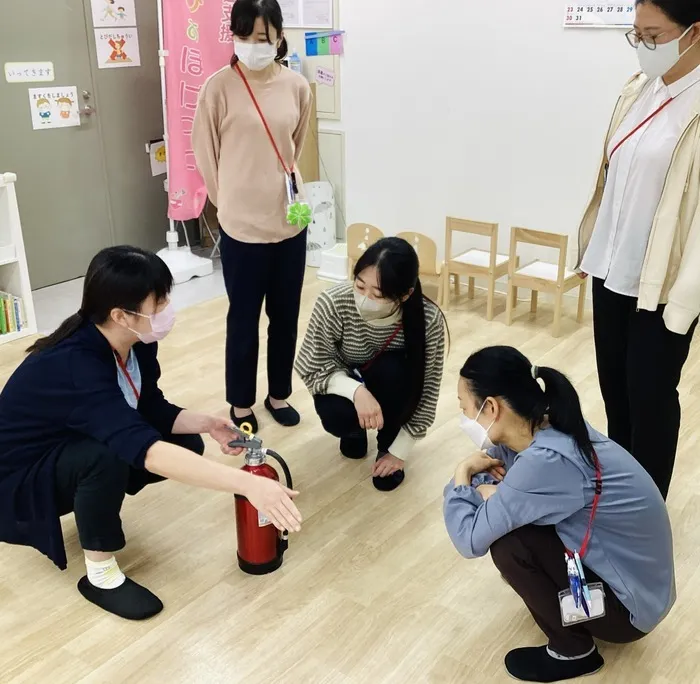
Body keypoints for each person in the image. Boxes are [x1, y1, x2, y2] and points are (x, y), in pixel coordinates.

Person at [0, 247, 302, 621]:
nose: (167, 308)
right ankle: (101, 575)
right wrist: (247, 486)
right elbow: (147, 450)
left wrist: (208, 423)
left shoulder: (134, 343)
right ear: (120, 315)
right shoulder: (75, 365)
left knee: (185, 442)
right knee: (106, 455)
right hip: (17, 482)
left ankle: (94, 497)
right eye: (158, 301)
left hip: (63, 448)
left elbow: (150, 407)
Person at [443, 346, 675, 683]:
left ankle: (573, 652)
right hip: (646, 590)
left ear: (491, 407)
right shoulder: (548, 426)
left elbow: (468, 539)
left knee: (509, 544)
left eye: (465, 409)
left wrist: (462, 474)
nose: (464, 418)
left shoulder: (547, 462)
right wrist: (489, 491)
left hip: (629, 613)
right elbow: (494, 471)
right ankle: (574, 626)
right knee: (509, 520)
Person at [576, 0, 700, 499]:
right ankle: (617, 488)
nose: (644, 46)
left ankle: (645, 509)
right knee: (615, 391)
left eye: (654, 35)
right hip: (612, 270)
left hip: (664, 287)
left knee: (650, 397)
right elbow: (611, 181)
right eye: (637, 35)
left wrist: (686, 301)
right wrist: (593, 249)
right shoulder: (639, 89)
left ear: (693, 32)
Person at [192, 0, 313, 434]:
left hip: (290, 220)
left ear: (279, 36)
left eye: (261, 38)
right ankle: (241, 402)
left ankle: (278, 393)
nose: (252, 46)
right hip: (241, 225)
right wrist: (228, 202)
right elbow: (205, 151)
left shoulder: (297, 86)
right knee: (243, 318)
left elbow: (295, 145)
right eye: (243, 37)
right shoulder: (218, 87)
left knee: (286, 315)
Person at [295, 237, 446, 491]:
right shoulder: (333, 303)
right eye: (360, 285)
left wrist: (400, 450)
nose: (365, 298)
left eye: (378, 294)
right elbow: (312, 366)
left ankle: (387, 441)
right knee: (336, 415)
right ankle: (355, 431)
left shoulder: (428, 320)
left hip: (391, 385)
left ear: (406, 294)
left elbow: (427, 390)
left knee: (394, 370)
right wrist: (356, 391)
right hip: (345, 381)